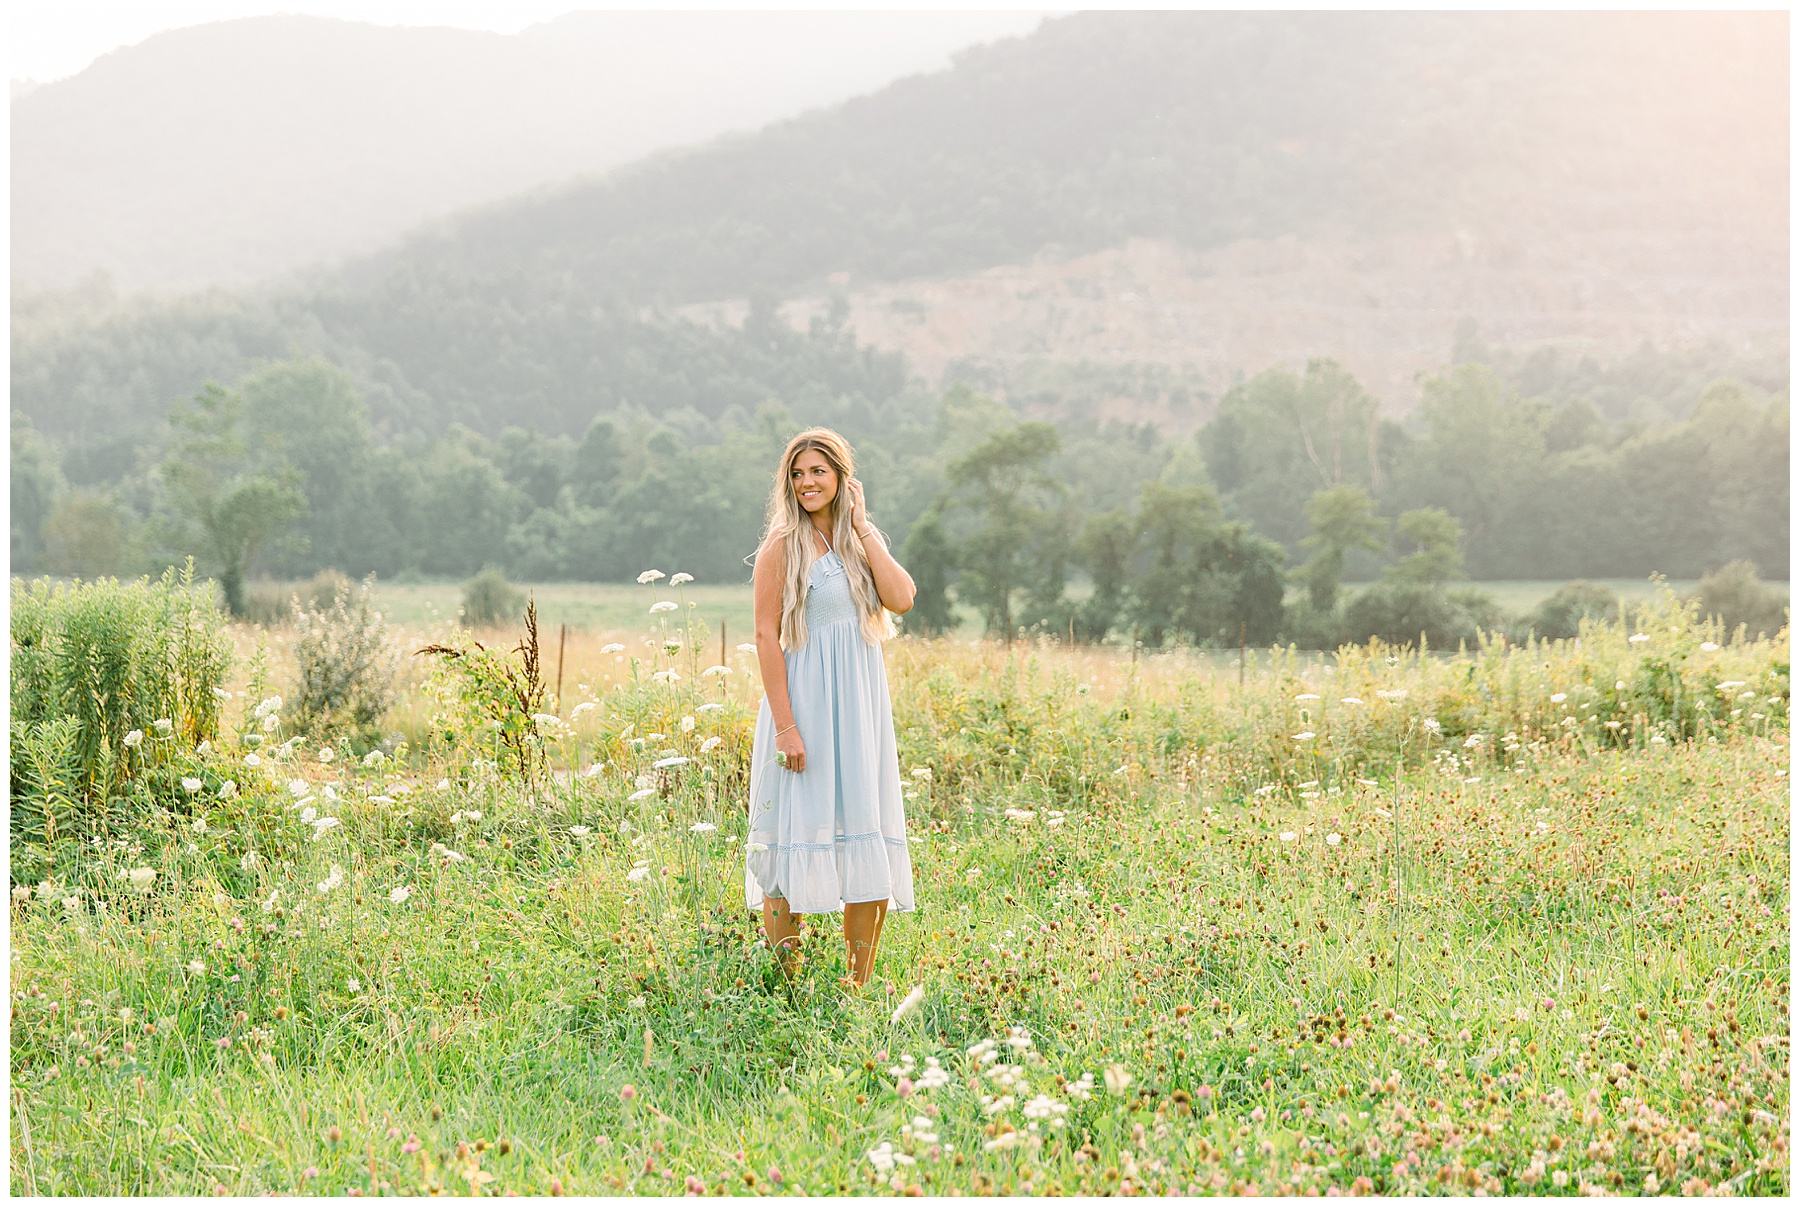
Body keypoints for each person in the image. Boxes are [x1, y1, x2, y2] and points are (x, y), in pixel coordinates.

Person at [744, 428, 917, 989]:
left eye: (818, 471)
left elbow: (903, 598)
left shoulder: (858, 540)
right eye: (797, 474)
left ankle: (855, 985)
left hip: (860, 712)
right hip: (804, 711)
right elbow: (767, 638)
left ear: (842, 476)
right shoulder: (781, 545)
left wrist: (864, 526)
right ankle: (786, 986)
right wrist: (787, 729)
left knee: (866, 832)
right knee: (792, 835)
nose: (806, 483)